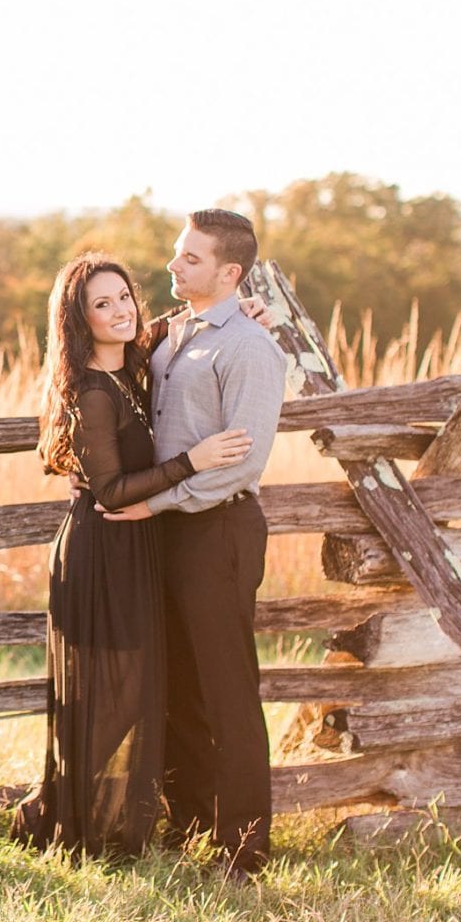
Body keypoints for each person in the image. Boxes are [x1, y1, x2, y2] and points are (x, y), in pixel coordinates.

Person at [11, 252, 253, 859]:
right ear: (77, 318)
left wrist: (238, 311)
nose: (119, 311)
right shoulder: (92, 390)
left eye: (124, 297)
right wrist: (192, 463)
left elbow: (165, 329)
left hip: (136, 548)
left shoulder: (134, 365)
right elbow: (111, 490)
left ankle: (97, 813)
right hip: (102, 552)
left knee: (139, 691)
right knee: (110, 697)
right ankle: (66, 820)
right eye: (101, 303)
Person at [100, 209, 286, 877]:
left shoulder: (251, 348)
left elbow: (241, 461)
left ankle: (244, 850)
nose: (175, 266)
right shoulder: (171, 336)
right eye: (179, 254)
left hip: (218, 529)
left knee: (227, 689)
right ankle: (191, 823)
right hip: (166, 533)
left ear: (230, 273)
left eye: (192, 259)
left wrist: (153, 499)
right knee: (177, 685)